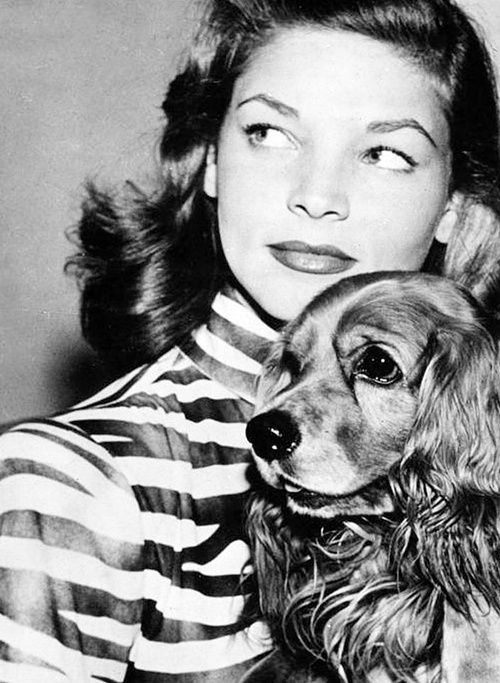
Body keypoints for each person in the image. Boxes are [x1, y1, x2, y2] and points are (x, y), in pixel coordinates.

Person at [0, 0, 500, 680]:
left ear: (454, 205)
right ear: (210, 160)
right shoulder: (74, 484)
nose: (317, 195)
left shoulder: (467, 449)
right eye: (270, 132)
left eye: (385, 152)